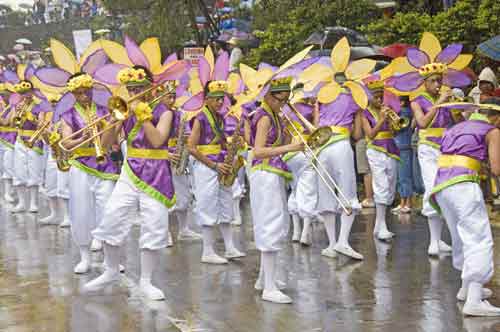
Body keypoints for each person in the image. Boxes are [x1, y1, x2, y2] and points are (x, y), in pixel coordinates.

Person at [84, 66, 179, 300]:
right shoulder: (124, 112)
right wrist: (112, 122)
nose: (134, 92)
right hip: (130, 171)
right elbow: (105, 146)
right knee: (112, 217)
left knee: (154, 225)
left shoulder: (165, 111)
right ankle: (111, 270)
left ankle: (146, 281)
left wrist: (143, 116)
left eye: (139, 88)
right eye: (131, 89)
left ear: (150, 87)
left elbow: (157, 141)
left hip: (156, 174)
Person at [391, 32, 472, 256]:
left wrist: (456, 110)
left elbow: (458, 123)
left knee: (447, 191)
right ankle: (433, 242)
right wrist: (441, 104)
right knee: (432, 190)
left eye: (440, 80)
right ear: (424, 82)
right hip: (427, 148)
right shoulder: (418, 100)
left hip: (447, 147)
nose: (438, 84)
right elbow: (423, 123)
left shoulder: (445, 97)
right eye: (433, 80)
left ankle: (441, 240)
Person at [430, 98, 500, 316]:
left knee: (462, 236)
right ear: (496, 116)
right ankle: (474, 301)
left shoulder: (456, 128)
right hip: (463, 186)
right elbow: (497, 168)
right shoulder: (492, 131)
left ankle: (466, 289)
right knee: (479, 238)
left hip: (441, 186)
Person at [249, 77, 303, 303]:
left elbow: (279, 143)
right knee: (270, 224)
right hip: (264, 173)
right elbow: (259, 151)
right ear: (269, 97)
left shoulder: (274, 116)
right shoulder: (262, 118)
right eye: (281, 100)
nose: (284, 104)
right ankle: (269, 287)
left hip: (273, 173)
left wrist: (288, 128)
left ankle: (264, 278)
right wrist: (290, 146)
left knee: (276, 223)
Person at [60, 73, 119, 273]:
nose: (84, 96)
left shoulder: (105, 111)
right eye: (79, 93)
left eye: (87, 92)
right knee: (81, 210)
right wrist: (83, 138)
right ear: (74, 94)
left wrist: (110, 125)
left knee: (109, 209)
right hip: (80, 164)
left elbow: (112, 141)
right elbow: (66, 143)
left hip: (104, 164)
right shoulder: (67, 115)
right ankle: (84, 257)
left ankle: (111, 259)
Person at [188, 80, 245, 264]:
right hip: (207, 167)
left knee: (226, 203)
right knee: (207, 204)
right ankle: (207, 251)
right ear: (207, 99)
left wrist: (232, 146)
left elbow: (218, 143)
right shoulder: (200, 118)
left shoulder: (220, 117)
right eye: (216, 99)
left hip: (222, 164)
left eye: (222, 98)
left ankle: (229, 247)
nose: (221, 102)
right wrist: (213, 165)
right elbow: (192, 147)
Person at [361, 77, 400, 241]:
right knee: (381, 185)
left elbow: (396, 132)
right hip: (375, 149)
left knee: (391, 185)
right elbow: (370, 134)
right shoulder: (364, 113)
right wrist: (382, 120)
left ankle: (378, 224)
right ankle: (382, 225)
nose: (379, 100)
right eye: (376, 97)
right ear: (370, 97)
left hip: (391, 148)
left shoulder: (387, 109)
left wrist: (393, 123)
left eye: (381, 96)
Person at [38, 94, 70, 227]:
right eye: (53, 104)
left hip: (66, 157)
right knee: (50, 186)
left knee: (64, 188)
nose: (54, 106)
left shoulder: (68, 118)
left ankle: (67, 216)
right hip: (53, 155)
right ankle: (54, 214)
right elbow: (47, 141)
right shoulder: (52, 120)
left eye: (57, 103)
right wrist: (44, 131)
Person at [393, 96, 414, 214]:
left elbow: (399, 127)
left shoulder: (405, 112)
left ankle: (408, 203)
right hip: (401, 146)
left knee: (405, 176)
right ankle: (403, 202)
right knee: (402, 176)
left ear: (402, 102)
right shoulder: (401, 112)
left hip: (404, 145)